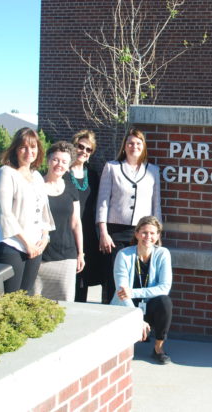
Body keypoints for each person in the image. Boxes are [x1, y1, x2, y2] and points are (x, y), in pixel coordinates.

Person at [97, 127, 162, 304]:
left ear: (144, 146)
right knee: (114, 276)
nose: (134, 146)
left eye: (138, 143)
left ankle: (133, 314)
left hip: (142, 233)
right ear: (124, 146)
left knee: (137, 276)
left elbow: (156, 204)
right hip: (115, 232)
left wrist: (157, 234)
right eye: (131, 143)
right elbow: (103, 201)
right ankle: (109, 311)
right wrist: (103, 232)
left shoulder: (153, 170)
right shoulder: (112, 167)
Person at [0, 127, 54, 293]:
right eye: (23, 147)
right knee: (9, 298)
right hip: (10, 244)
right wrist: (27, 244)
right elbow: (5, 215)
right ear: (15, 150)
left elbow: (44, 212)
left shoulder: (37, 176)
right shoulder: (6, 173)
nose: (29, 152)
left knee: (24, 297)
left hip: (35, 246)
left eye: (33, 147)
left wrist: (45, 238)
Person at [111, 216, 173, 364]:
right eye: (144, 232)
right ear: (137, 233)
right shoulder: (124, 255)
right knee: (120, 353)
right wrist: (137, 318)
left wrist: (134, 292)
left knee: (165, 302)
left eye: (152, 233)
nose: (148, 237)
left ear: (158, 235)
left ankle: (158, 348)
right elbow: (122, 293)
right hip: (126, 305)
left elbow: (164, 288)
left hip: (149, 305)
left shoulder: (163, 254)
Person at [34, 141, 84, 301]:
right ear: (48, 161)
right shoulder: (36, 186)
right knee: (35, 304)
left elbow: (76, 223)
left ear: (68, 166)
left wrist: (80, 253)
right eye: (55, 160)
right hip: (39, 254)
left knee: (65, 304)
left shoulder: (71, 188)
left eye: (64, 162)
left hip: (66, 256)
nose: (59, 164)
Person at [69, 129, 102, 302]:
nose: (84, 151)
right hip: (66, 232)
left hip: (87, 233)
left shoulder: (94, 176)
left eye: (89, 149)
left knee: (83, 281)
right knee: (67, 281)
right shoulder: (63, 173)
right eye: (80, 147)